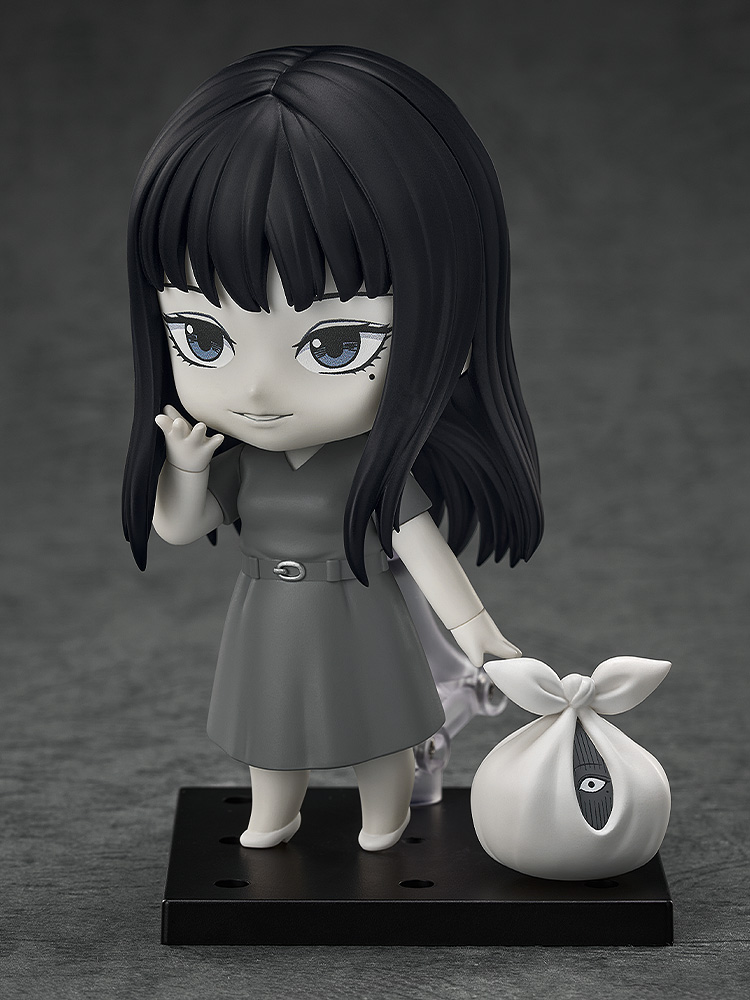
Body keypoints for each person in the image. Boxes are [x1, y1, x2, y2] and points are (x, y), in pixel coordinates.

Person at [122, 46, 543, 851]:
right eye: (204, 337)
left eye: (335, 344)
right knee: (269, 726)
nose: (257, 390)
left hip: (358, 609)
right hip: (267, 614)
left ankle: (386, 816)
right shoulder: (240, 463)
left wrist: (478, 631)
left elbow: (421, 550)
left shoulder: (371, 471)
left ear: (448, 330)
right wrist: (185, 467)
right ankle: (272, 812)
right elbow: (177, 527)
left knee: (377, 723)